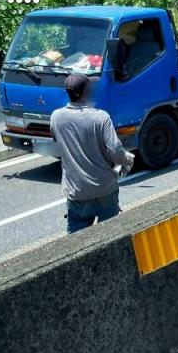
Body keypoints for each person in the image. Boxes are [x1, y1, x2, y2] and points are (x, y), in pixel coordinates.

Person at [50, 74, 135, 234]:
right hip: (104, 189)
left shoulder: (56, 117)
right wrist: (127, 159)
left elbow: (57, 142)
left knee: (77, 243)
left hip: (77, 192)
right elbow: (116, 153)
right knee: (110, 238)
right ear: (87, 92)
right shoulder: (101, 117)